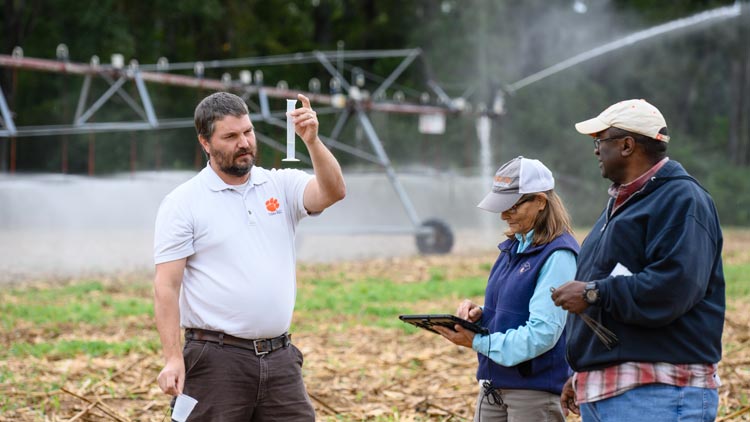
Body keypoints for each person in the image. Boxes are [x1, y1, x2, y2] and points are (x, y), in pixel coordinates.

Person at [153, 91, 345, 421]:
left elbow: (333, 191)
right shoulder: (183, 203)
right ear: (205, 143)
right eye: (230, 136)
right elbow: (166, 286)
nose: (244, 142)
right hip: (215, 359)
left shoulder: (279, 184)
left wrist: (312, 142)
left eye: (248, 132)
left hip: (280, 357)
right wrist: (172, 358)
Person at [552, 99, 725, 422]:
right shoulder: (620, 208)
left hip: (658, 394)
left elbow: (674, 288)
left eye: (599, 141)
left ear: (627, 145)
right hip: (612, 393)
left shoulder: (681, 200)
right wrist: (585, 374)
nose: (595, 151)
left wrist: (591, 293)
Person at [435, 156, 579, 422]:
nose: (503, 215)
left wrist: (478, 341)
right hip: (494, 385)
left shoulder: (559, 256)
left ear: (539, 202)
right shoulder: (513, 248)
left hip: (534, 393)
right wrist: (481, 314)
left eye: (512, 206)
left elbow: (543, 333)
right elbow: (514, 309)